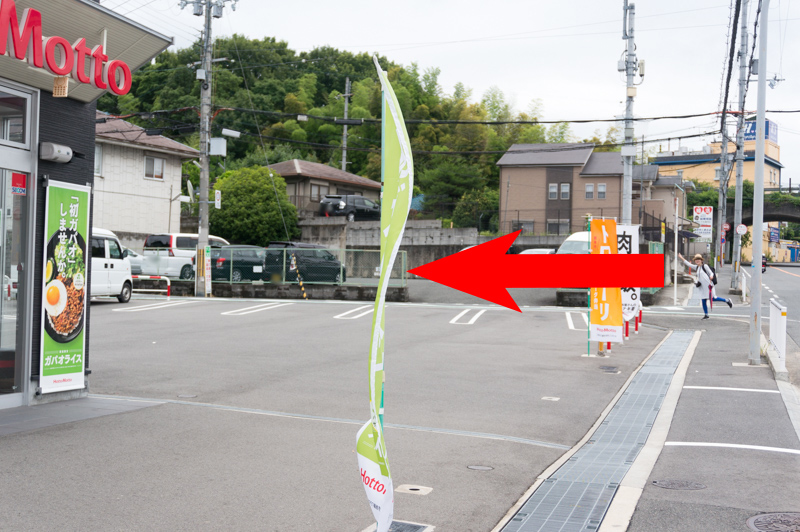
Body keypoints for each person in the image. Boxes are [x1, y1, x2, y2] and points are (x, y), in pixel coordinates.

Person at [678, 253, 733, 319]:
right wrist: (681, 257)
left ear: (701, 260)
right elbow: (688, 264)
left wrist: (711, 276)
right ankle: (706, 315)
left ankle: (727, 300)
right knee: (703, 300)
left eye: (698, 259)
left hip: (708, 285)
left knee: (713, 298)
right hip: (702, 287)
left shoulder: (705, 266)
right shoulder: (697, 267)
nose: (697, 260)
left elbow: (711, 273)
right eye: (696, 259)